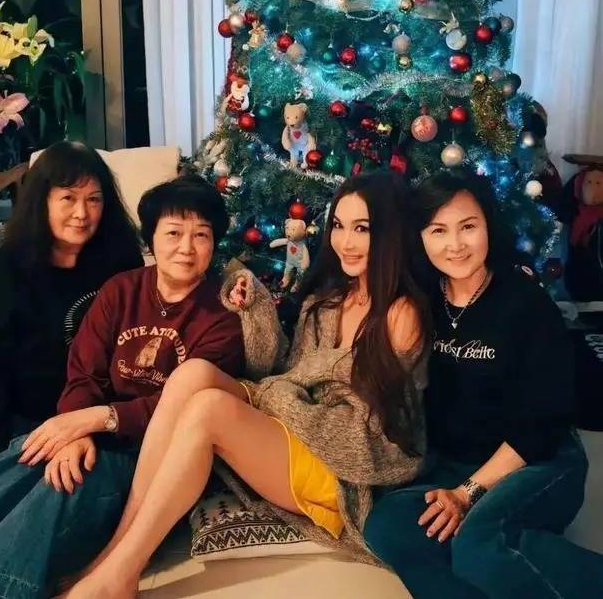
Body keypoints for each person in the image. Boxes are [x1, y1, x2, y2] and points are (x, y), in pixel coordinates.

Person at [61, 172, 431, 599]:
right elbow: (278, 369)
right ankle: (117, 553)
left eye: (362, 228)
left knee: (208, 410)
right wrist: (254, 310)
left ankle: (120, 571)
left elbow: (366, 441)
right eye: (339, 226)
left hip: (345, 474)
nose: (345, 241)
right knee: (192, 374)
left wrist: (270, 397)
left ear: (390, 232)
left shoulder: (401, 316)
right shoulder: (327, 302)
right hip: (297, 433)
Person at [0, 174, 259, 599]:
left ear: (213, 243)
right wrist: (76, 431)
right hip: (92, 429)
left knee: (72, 480)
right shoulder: (121, 290)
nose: (186, 247)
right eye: (173, 233)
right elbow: (83, 371)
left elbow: (184, 405)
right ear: (151, 239)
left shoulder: (220, 319)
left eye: (200, 235)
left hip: (154, 455)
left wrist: (99, 421)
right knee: (28, 453)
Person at [364, 168, 603, 599]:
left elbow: (542, 424)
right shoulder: (421, 301)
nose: (455, 244)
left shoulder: (526, 301)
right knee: (386, 526)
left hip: (538, 461)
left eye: (468, 226)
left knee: (476, 545)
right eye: (438, 230)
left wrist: (467, 494)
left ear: (488, 225)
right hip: (459, 463)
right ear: (420, 237)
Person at [0, 140, 143, 462]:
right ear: (42, 201)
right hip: (25, 434)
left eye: (94, 199)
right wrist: (13, 448)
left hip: (107, 426)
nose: (82, 213)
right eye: (68, 198)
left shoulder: (122, 263)